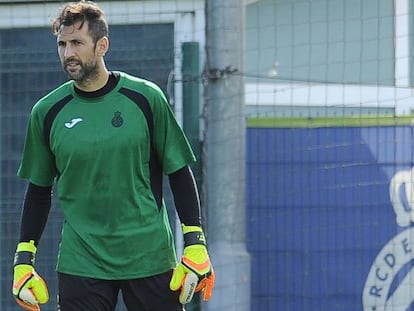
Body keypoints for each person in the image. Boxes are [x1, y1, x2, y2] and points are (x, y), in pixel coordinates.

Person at [11, 1, 215, 310]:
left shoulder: (146, 98)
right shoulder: (46, 112)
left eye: (77, 43)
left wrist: (195, 243)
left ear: (102, 45)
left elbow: (179, 172)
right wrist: (24, 260)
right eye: (62, 44)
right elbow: (39, 191)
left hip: (149, 256)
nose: (68, 54)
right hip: (82, 261)